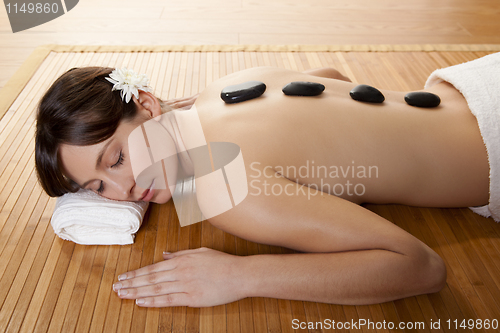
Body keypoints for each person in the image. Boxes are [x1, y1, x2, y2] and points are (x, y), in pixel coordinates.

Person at [35, 53, 499, 308]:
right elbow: (334, 77)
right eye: (97, 189)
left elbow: (421, 267)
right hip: (475, 83)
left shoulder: (223, 192)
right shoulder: (222, 90)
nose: (124, 193)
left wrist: (239, 275)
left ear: (149, 106)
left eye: (115, 159)